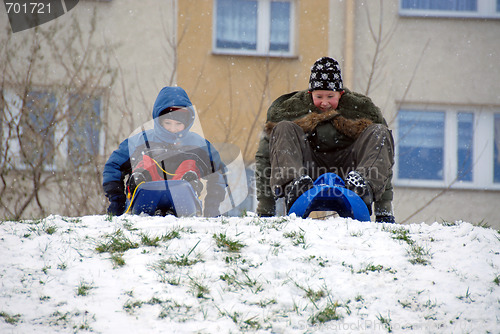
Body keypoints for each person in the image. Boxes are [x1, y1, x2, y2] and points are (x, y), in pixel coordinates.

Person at [255, 57, 395, 223]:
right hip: (306, 171)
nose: (325, 103)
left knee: (379, 133)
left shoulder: (363, 112)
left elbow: (382, 157)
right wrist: (266, 208)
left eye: (330, 96)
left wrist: (384, 211)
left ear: (341, 94)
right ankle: (294, 186)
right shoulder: (289, 112)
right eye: (319, 96)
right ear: (310, 94)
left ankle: (362, 188)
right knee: (283, 128)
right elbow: (265, 158)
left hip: (349, 172)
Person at [103, 86, 226, 217]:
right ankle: (140, 182)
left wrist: (212, 208)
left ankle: (188, 182)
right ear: (159, 121)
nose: (173, 129)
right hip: (145, 199)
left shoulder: (198, 144)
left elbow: (219, 173)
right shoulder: (141, 141)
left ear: (187, 123)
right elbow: (113, 166)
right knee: (146, 162)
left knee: (188, 164)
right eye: (168, 123)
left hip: (184, 202)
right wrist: (117, 202)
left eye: (178, 124)